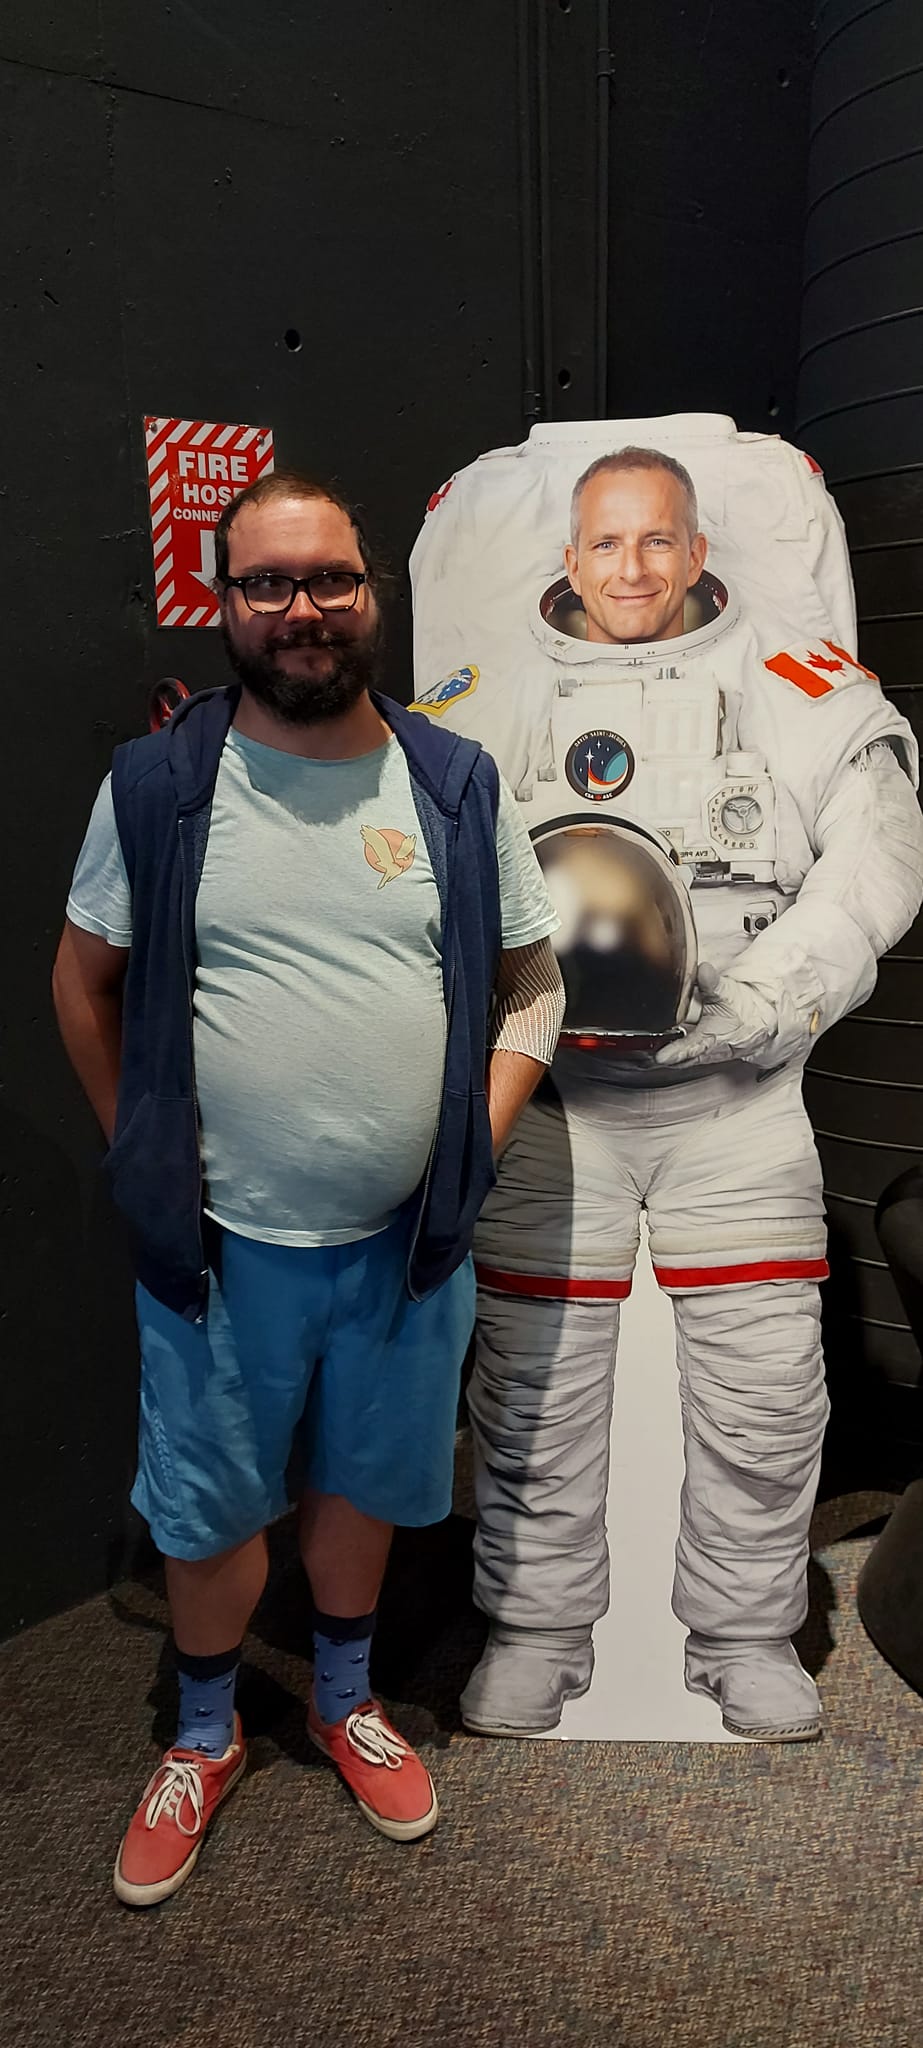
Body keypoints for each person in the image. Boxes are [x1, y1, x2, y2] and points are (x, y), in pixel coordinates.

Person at [52, 468, 564, 1905]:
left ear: (371, 594)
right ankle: (205, 1734)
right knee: (212, 1512)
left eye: (328, 579)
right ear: (222, 606)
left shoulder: (455, 785)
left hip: (409, 1247)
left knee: (369, 1486)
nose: (301, 610)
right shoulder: (160, 787)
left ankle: (343, 1698)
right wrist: (143, 1144)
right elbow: (82, 981)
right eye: (267, 584)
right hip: (220, 1252)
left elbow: (536, 979)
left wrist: (477, 1131)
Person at [414, 444, 923, 1743]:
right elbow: (413, 877)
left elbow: (876, 860)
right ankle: (533, 1627)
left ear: (698, 554)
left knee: (762, 1385)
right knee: (532, 1384)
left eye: (658, 543)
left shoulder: (792, 684)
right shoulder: (477, 700)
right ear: (569, 558)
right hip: (548, 1103)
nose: (631, 569)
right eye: (605, 544)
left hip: (734, 1095)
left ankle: (746, 1635)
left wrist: (760, 1009)